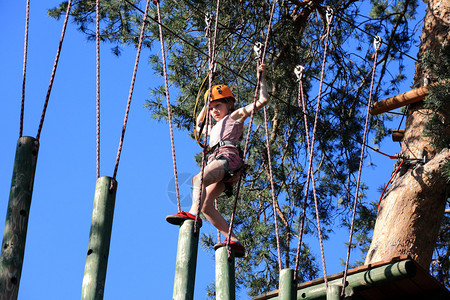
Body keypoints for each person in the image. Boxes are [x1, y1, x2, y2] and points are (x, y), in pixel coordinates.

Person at [166, 64, 268, 257]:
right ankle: (233, 240)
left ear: (229, 104)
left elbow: (262, 100)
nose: (214, 111)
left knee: (198, 180)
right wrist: (207, 102)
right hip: (222, 163)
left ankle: (192, 215)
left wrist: (261, 77)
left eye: (218, 106)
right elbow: (198, 122)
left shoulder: (235, 116)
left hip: (228, 157)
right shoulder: (212, 128)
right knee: (205, 205)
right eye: (212, 108)